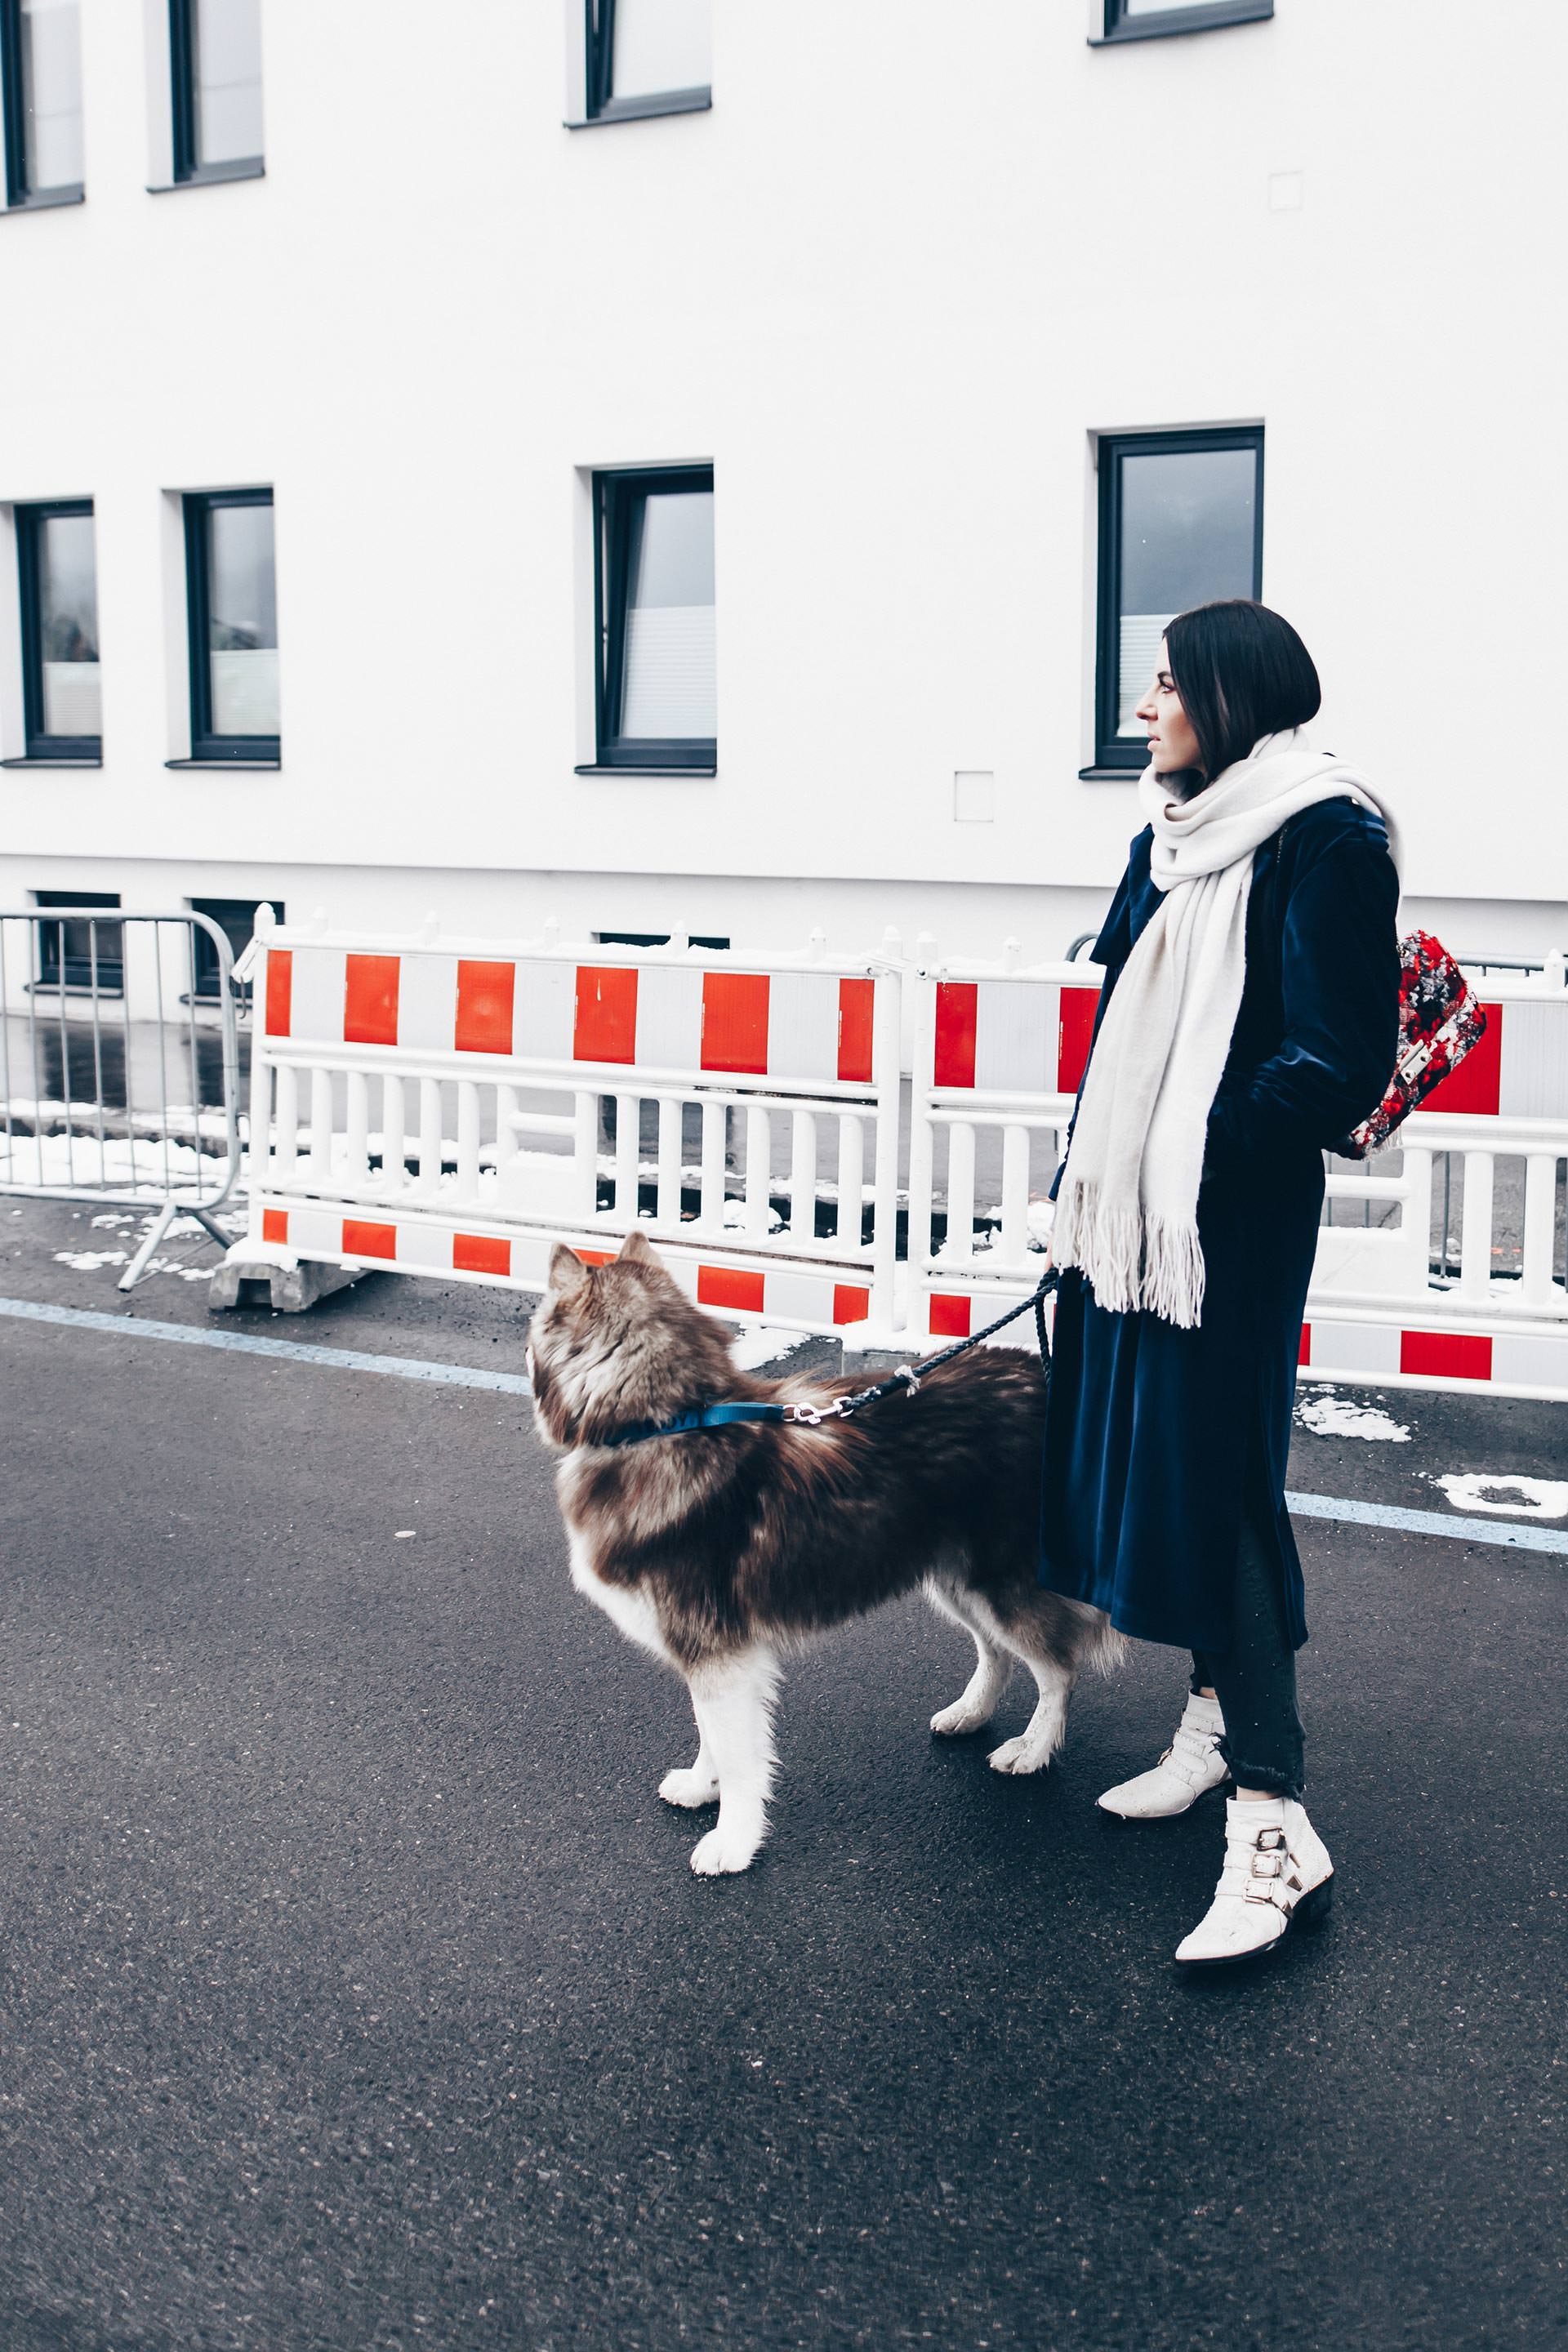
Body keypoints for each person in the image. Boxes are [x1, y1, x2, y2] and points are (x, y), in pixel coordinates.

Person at [1037, 599, 1399, 1969]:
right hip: (1133, 1215)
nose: (1146, 706)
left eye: (1168, 684)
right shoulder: (1173, 831)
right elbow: (1128, 1004)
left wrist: (1186, 1153)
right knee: (1154, 1472)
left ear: (1232, 698)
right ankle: (1213, 1717)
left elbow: (1335, 1060)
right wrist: (1099, 1171)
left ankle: (1275, 1821)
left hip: (1221, 1225)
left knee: (1223, 1488)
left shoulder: (1329, 836)